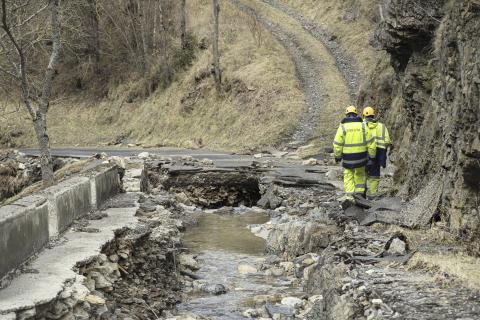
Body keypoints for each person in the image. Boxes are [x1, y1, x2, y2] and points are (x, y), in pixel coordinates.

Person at [333, 106, 376, 200]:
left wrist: (337, 156)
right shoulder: (363, 126)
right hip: (361, 158)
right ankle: (360, 195)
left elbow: (337, 144)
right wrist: (372, 156)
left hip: (348, 159)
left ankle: (350, 197)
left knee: (348, 176)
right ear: (356, 114)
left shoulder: (343, 127)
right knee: (360, 174)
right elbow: (371, 143)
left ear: (346, 115)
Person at [362, 106, 391, 198]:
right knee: (374, 176)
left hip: (364, 154)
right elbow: (387, 141)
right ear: (373, 115)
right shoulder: (382, 127)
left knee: (362, 174)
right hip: (378, 155)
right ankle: (373, 195)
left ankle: (361, 194)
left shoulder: (361, 126)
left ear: (363, 116)